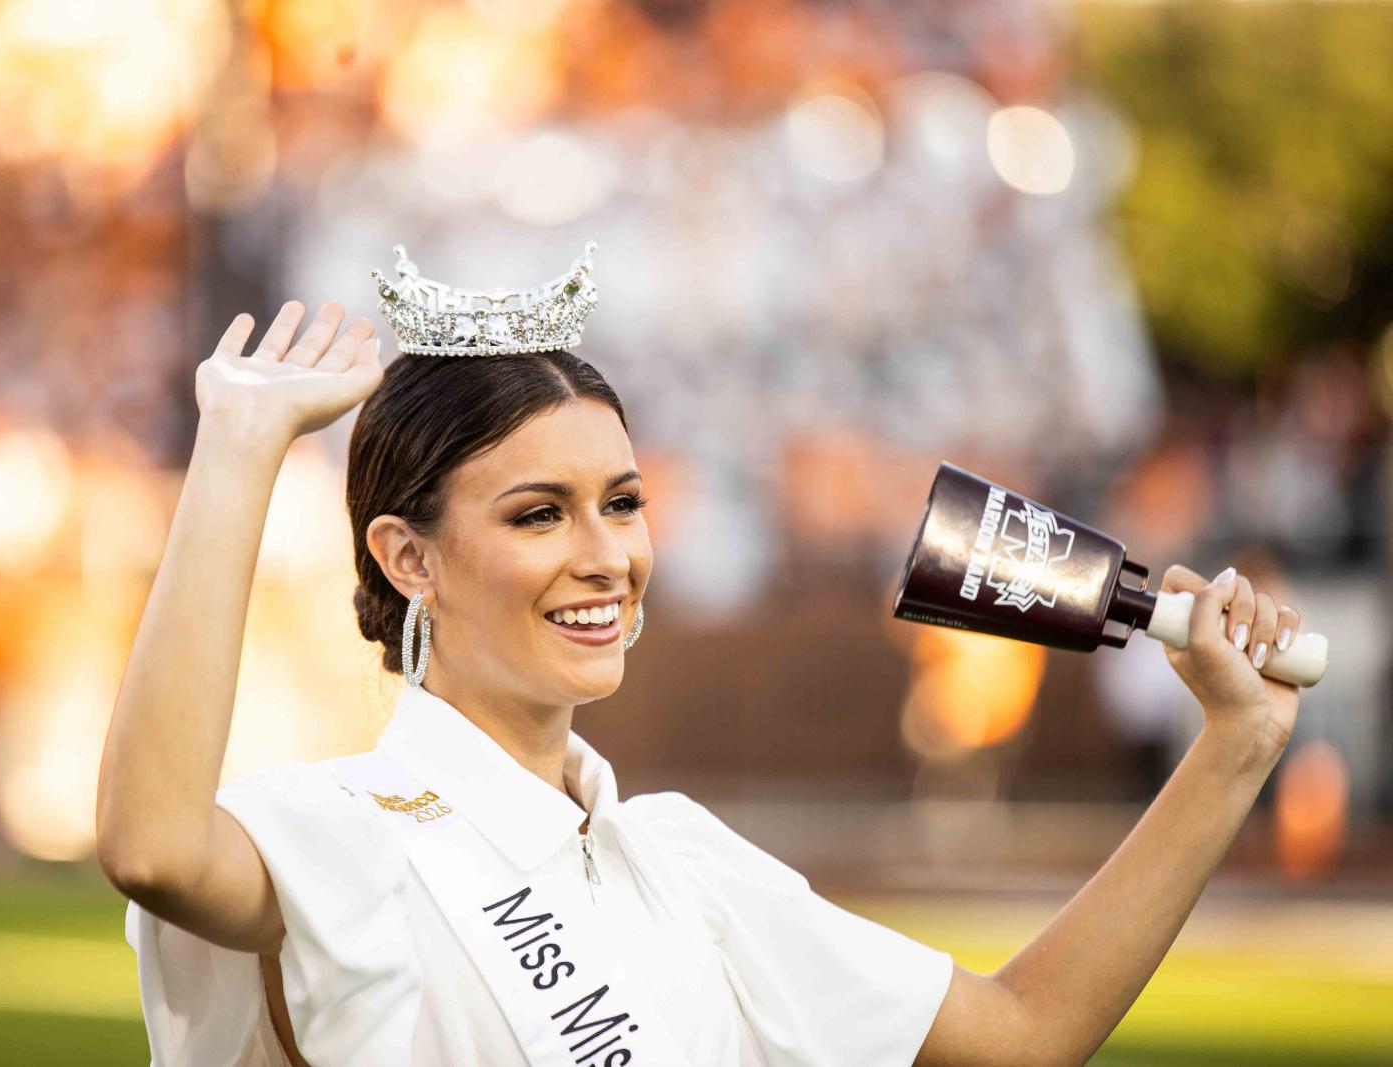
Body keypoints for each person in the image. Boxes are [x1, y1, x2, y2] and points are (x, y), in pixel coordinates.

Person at [96, 244, 1309, 1067]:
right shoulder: (339, 827)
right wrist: (240, 448)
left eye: (620, 502)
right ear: (407, 557)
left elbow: (1023, 1031)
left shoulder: (678, 859)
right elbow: (151, 843)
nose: (604, 555)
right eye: (536, 513)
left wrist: (1235, 742)